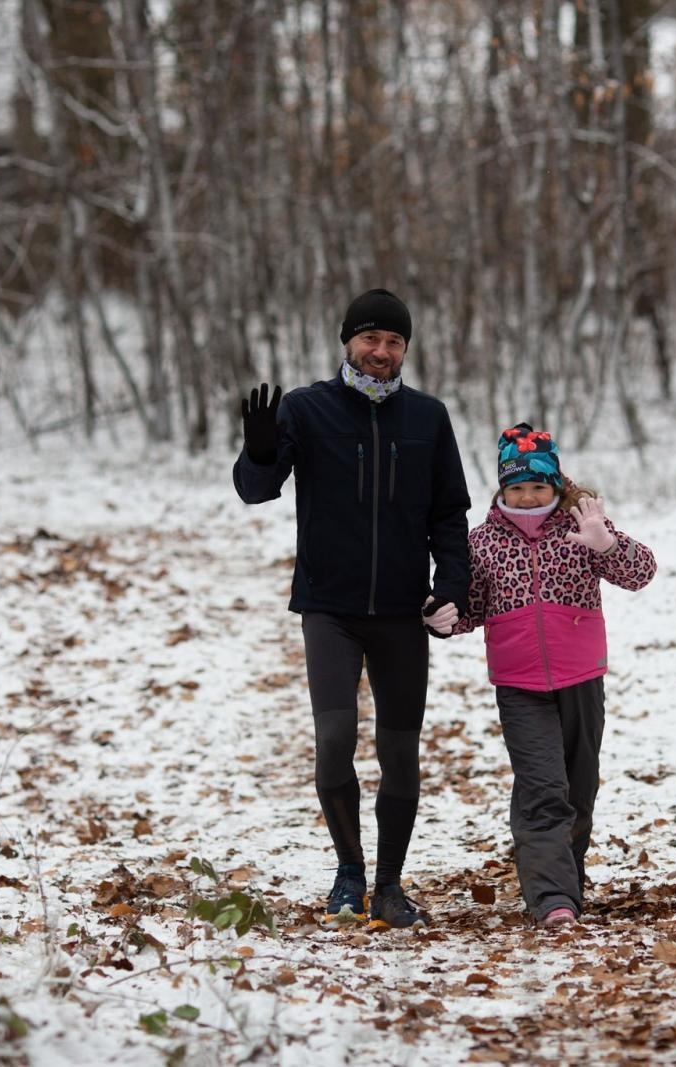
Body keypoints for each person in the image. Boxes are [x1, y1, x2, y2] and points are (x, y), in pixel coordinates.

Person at [233, 288, 470, 928]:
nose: (381, 352)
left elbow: (450, 512)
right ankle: (350, 870)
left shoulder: (428, 417)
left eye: (394, 342)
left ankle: (390, 885)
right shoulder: (308, 410)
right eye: (370, 339)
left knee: (400, 750)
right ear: (347, 343)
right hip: (329, 607)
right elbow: (257, 491)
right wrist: (258, 449)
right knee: (334, 741)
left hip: (401, 613)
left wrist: (452, 584)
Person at [430, 424, 656, 929]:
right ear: (501, 488)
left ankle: (567, 882)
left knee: (578, 790)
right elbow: (470, 609)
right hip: (519, 684)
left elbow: (640, 573)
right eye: (516, 487)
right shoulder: (482, 542)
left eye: (537, 486)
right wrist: (442, 618)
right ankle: (552, 898)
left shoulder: (581, 526)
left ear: (555, 485)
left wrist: (606, 545)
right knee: (541, 788)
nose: (527, 496)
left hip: (581, 677)